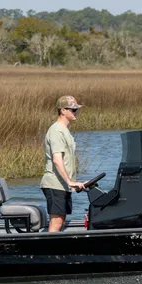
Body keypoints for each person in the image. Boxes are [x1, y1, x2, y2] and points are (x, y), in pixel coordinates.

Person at [41, 95, 86, 232]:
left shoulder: (65, 130)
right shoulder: (56, 131)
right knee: (57, 222)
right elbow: (57, 159)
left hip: (63, 185)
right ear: (62, 111)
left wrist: (72, 183)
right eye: (73, 110)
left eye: (76, 110)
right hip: (55, 183)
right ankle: (48, 252)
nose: (75, 112)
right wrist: (70, 182)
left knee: (62, 220)